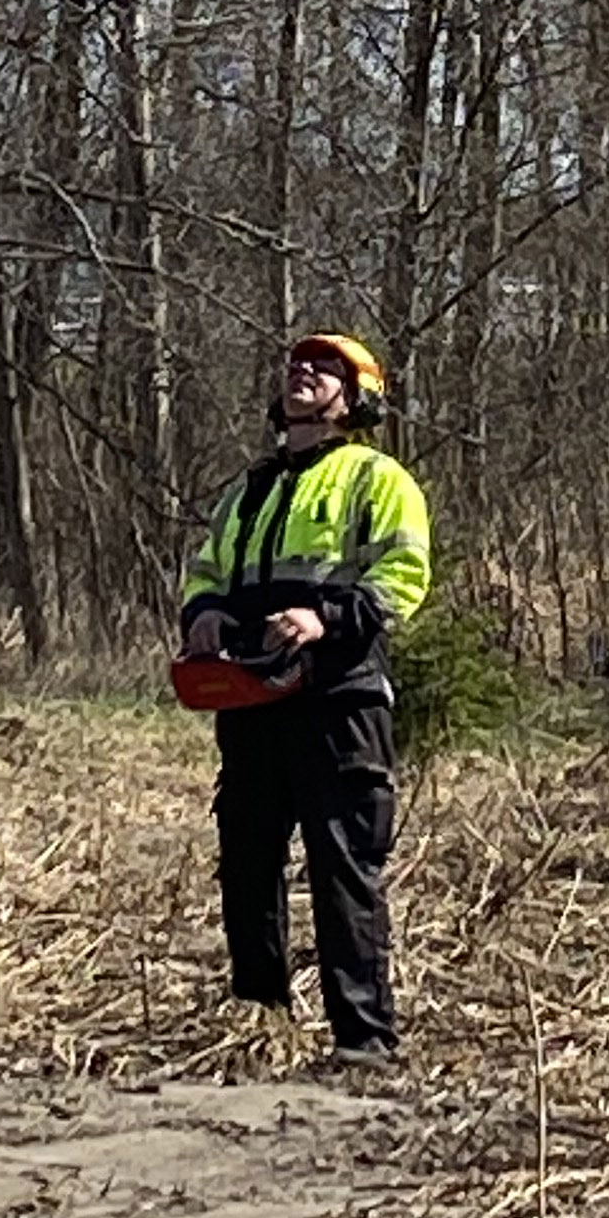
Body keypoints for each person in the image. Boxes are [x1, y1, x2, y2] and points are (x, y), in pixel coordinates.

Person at [177, 330, 432, 1070]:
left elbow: (403, 577)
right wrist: (203, 616)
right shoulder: (249, 489)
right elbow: (206, 572)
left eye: (326, 368)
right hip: (251, 699)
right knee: (247, 866)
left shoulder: (378, 480)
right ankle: (260, 1030)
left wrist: (327, 619)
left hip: (340, 701)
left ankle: (364, 1046)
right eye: (297, 364)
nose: (304, 373)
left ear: (356, 396)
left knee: (342, 867)